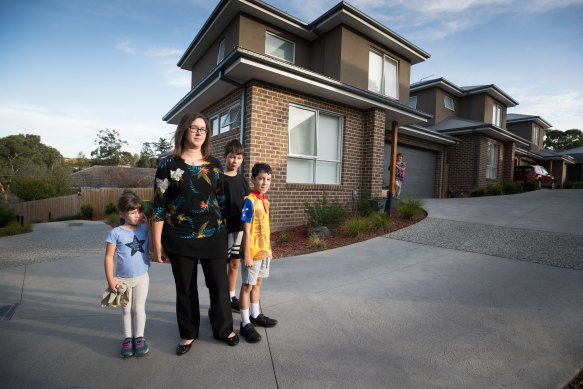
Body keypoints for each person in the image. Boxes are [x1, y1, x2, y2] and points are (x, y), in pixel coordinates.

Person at [152, 113, 239, 355]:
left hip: (213, 233)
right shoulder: (167, 164)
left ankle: (223, 329)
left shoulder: (214, 165)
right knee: (186, 288)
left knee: (219, 285)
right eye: (194, 128)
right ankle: (188, 333)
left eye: (203, 129)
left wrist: (232, 234)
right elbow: (159, 204)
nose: (200, 132)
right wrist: (156, 241)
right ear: (183, 131)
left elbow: (221, 200)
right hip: (179, 235)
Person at [104, 192, 154, 358]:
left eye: (139, 211)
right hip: (122, 280)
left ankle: (139, 338)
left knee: (139, 308)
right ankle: (127, 339)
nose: (137, 215)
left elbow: (153, 247)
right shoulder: (116, 233)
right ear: (122, 213)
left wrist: (149, 228)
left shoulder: (144, 229)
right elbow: (109, 257)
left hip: (142, 277)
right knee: (126, 311)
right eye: (132, 212)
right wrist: (111, 280)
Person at [238, 162, 277, 343]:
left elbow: (266, 228)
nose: (264, 182)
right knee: (247, 286)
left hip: (263, 252)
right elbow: (246, 230)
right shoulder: (249, 201)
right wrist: (246, 255)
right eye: (261, 178)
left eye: (268, 179)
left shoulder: (266, 201)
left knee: (258, 283)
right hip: (252, 253)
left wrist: (269, 249)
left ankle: (255, 315)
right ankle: (245, 323)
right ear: (253, 179)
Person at [222, 140, 250, 312]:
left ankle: (231, 296)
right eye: (232, 157)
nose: (235, 161)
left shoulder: (243, 180)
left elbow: (247, 203)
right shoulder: (219, 178)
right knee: (221, 264)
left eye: (239, 158)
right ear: (225, 157)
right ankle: (222, 297)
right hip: (223, 229)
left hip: (239, 228)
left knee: (234, 264)